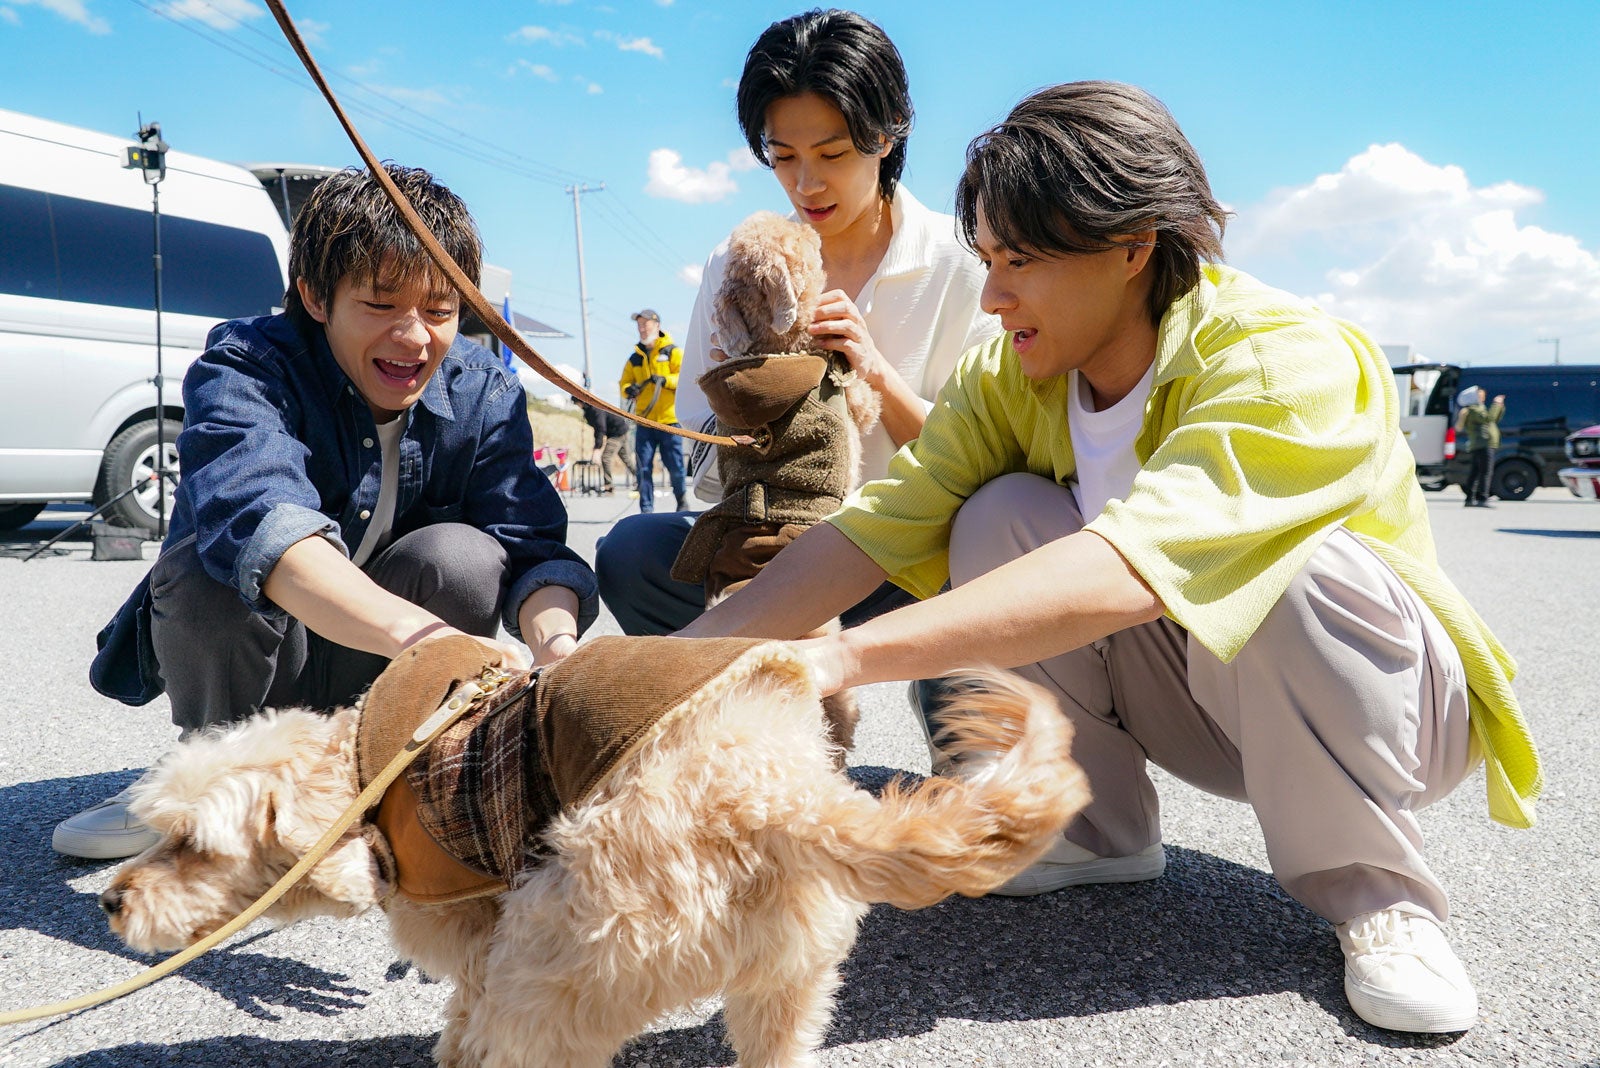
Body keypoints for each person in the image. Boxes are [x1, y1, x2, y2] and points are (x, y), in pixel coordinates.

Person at [680, 82, 1542, 1036]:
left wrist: (833, 659)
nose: (995, 294)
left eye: (1022, 262)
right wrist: (680, 667)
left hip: (1389, 713)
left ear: (1134, 245)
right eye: (987, 261)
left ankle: (1379, 894)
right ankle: (1094, 832)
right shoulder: (1009, 375)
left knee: (1295, 568)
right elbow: (879, 522)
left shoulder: (1282, 358)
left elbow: (1133, 564)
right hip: (1205, 703)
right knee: (995, 514)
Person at [59, 165, 598, 860]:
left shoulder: (483, 387)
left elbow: (530, 544)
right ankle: (216, 777)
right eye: (380, 305)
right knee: (209, 568)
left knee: (465, 557)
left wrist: (557, 651)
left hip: (384, 670)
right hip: (275, 654)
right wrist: (426, 638)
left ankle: (394, 773)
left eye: (440, 310)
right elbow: (260, 521)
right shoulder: (247, 364)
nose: (414, 338)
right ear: (315, 296)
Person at [596, 7, 998, 635]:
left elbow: (984, 457)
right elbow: (696, 419)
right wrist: (761, 407)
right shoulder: (740, 263)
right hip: (769, 545)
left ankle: (953, 720)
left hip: (907, 554)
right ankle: (735, 720)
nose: (806, 184)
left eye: (832, 153)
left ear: (889, 132)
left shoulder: (965, 266)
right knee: (630, 553)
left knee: (991, 532)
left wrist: (876, 375)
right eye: (782, 156)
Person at [618, 308, 686, 513]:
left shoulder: (673, 352)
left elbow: (685, 378)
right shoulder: (634, 358)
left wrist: (666, 380)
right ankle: (646, 509)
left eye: (645, 324)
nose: (641, 329)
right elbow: (624, 383)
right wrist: (628, 390)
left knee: (675, 467)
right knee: (643, 468)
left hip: (669, 421)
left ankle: (682, 503)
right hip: (644, 422)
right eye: (639, 325)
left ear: (657, 325)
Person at [1456, 386, 1505, 507]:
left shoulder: (1476, 409)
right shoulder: (1474, 409)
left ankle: (1470, 498)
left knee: (1476, 472)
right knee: (1485, 472)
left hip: (1480, 445)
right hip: (1483, 444)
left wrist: (1499, 407)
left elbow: (1494, 419)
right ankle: (1482, 498)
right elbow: (1489, 418)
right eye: (1480, 395)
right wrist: (1496, 404)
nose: (1482, 397)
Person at [582, 401, 635, 494]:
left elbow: (600, 428)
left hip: (617, 433)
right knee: (626, 459)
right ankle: (643, 480)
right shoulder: (589, 411)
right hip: (618, 431)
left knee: (605, 458)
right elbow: (597, 429)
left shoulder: (596, 409)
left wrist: (597, 448)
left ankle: (608, 486)